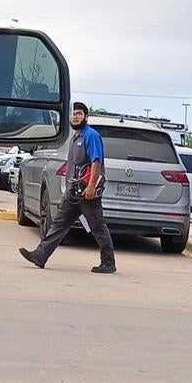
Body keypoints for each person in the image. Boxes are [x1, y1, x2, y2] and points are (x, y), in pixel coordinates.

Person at [20, 102, 117, 273]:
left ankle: (108, 262)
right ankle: (41, 255)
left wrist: (92, 186)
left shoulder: (91, 135)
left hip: (87, 192)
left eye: (79, 114)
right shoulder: (76, 137)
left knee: (98, 226)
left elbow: (96, 161)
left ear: (86, 117)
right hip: (73, 192)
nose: (76, 117)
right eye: (73, 114)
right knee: (58, 224)